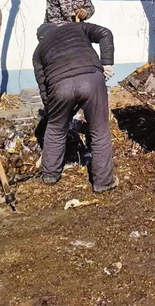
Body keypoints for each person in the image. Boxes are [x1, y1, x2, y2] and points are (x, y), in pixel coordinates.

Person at [32, 21, 117, 192]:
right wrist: (106, 62)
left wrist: (54, 112)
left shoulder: (38, 52)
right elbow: (105, 32)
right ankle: (103, 182)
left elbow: (43, 87)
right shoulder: (75, 27)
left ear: (41, 38)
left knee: (55, 129)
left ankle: (50, 174)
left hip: (60, 87)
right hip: (92, 79)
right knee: (99, 129)